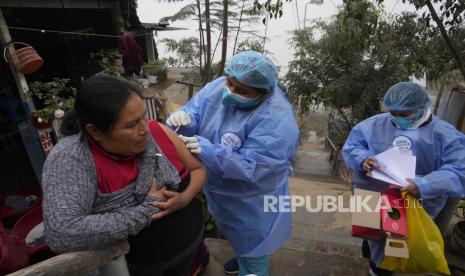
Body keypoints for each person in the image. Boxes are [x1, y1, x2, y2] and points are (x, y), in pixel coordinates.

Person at [42, 74, 205, 276]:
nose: (145, 129)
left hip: (188, 247)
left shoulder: (157, 130)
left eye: (144, 116)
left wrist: (184, 198)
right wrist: (146, 210)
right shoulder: (72, 158)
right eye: (131, 125)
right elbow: (62, 232)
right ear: (95, 131)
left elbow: (198, 169)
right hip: (131, 268)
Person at [166, 51, 299, 276]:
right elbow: (197, 111)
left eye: (242, 91)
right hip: (220, 188)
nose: (230, 92)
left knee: (253, 243)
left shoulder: (278, 121)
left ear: (263, 92)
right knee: (233, 233)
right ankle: (241, 257)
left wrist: (210, 151)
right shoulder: (220, 86)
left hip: (252, 199)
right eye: (230, 83)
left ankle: (252, 267)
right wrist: (186, 120)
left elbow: (255, 167)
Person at [342, 82, 465, 276]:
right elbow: (352, 146)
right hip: (375, 193)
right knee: (374, 238)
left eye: (405, 114)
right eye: (393, 113)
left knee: (403, 240)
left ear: (422, 107)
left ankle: (395, 266)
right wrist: (361, 158)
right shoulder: (373, 124)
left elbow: (459, 169)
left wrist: (424, 185)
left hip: (417, 201)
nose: (398, 119)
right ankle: (375, 266)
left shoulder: (446, 135)